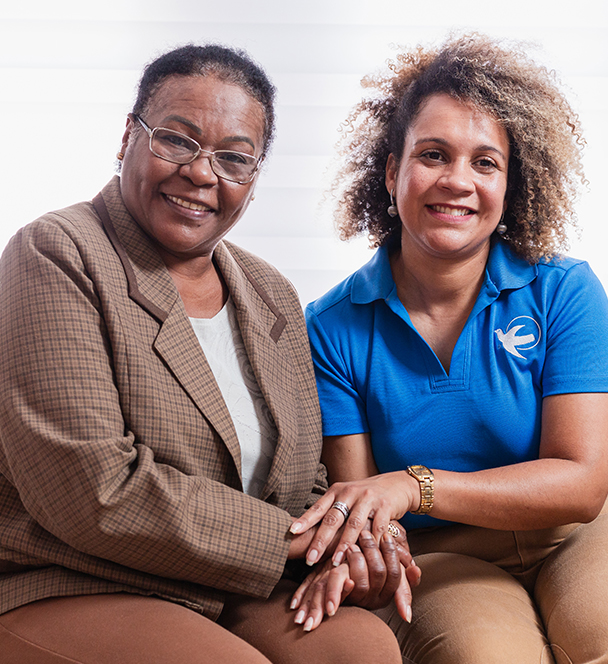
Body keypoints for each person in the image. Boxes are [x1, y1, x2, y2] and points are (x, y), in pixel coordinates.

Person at [0, 44, 405, 664]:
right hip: (73, 576)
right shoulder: (57, 253)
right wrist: (296, 542)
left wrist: (350, 551)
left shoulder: (270, 293)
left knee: (361, 651)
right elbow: (89, 489)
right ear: (126, 138)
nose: (201, 172)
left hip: (226, 584)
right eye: (177, 140)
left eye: (234, 158)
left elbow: (304, 480)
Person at [290, 34, 608, 663]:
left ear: (511, 181)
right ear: (391, 172)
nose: (457, 181)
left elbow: (579, 483)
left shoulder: (564, 289)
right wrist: (364, 558)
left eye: (485, 162)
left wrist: (416, 485)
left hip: (584, 531)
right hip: (442, 553)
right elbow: (362, 505)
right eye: (433, 154)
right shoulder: (330, 326)